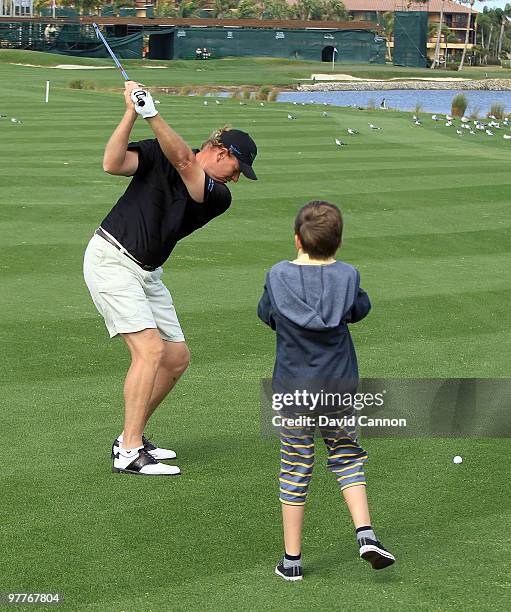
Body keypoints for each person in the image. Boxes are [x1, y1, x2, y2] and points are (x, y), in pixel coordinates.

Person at [84, 81, 258, 476]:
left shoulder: (217, 195)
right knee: (150, 351)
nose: (236, 178)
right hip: (110, 258)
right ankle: (129, 451)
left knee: (176, 358)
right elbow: (113, 163)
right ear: (220, 151)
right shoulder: (157, 152)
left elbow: (184, 163)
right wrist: (132, 111)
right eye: (237, 168)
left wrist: (153, 112)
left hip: (146, 271)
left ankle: (131, 435)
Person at [257, 201, 395, 581]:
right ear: (339, 242)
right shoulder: (348, 276)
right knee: (347, 457)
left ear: (297, 239)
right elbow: (360, 309)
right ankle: (365, 533)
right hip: (339, 387)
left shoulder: (277, 275)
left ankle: (292, 561)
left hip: (294, 392)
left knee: (295, 468)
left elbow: (266, 314)